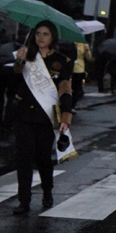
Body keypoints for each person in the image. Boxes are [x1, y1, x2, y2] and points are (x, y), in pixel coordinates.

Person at [11, 20, 74, 215]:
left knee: (43, 158)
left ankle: (47, 191)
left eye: (45, 33)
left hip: (47, 116)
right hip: (25, 115)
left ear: (52, 37)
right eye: (38, 33)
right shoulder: (26, 56)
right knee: (24, 159)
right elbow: (12, 81)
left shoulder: (62, 60)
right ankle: (24, 201)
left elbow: (65, 89)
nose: (40, 37)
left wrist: (66, 116)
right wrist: (19, 62)